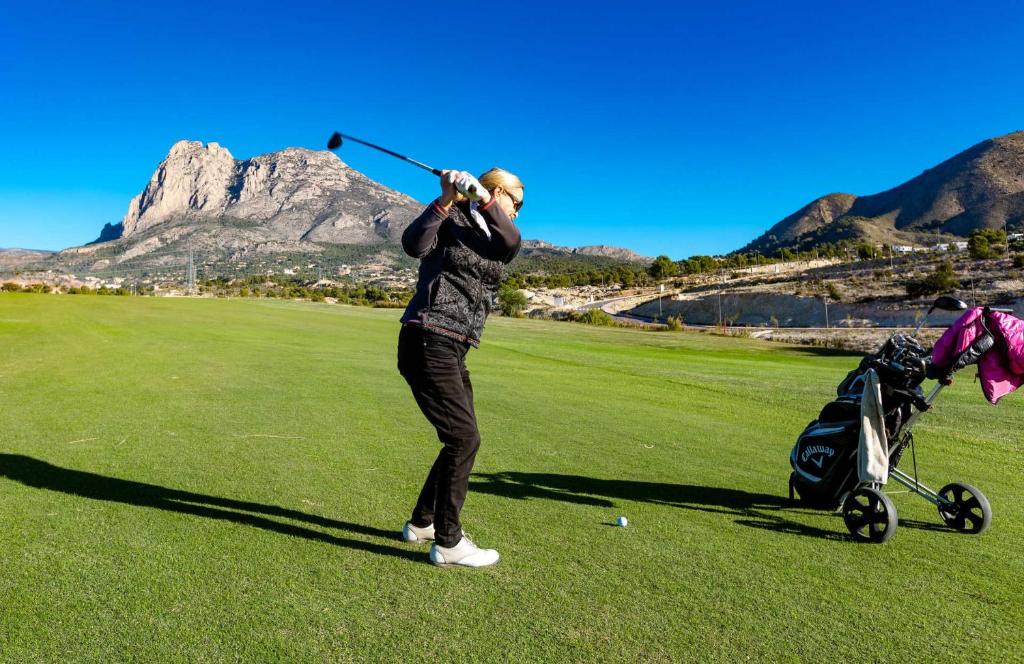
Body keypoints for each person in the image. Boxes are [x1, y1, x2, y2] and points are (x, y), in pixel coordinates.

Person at [397, 167, 524, 567]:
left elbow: (511, 240)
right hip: (427, 337)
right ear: (501, 191)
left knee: (462, 438)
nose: (516, 212)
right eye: (516, 203)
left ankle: (423, 523)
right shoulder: (449, 218)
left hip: (454, 347)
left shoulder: (496, 235)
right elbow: (413, 244)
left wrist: (483, 202)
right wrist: (448, 197)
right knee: (464, 440)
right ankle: (449, 542)